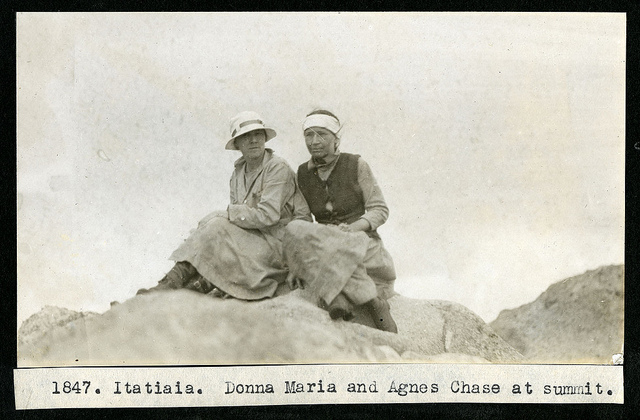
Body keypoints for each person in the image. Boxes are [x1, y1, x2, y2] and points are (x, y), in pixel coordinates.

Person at [137, 111, 310, 299]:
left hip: (281, 244)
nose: (253, 141)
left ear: (264, 138)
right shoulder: (237, 174)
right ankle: (174, 288)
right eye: (246, 136)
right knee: (214, 231)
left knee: (217, 226)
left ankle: (171, 284)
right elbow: (238, 222)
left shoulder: (277, 167)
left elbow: (267, 215)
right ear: (237, 144)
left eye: (258, 134)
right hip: (255, 240)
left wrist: (226, 214)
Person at [283, 109, 398, 333]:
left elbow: (379, 209)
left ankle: (370, 302)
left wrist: (354, 228)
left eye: (322, 134)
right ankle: (363, 299)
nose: (314, 141)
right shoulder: (302, 174)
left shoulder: (356, 164)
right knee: (294, 228)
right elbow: (303, 219)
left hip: (361, 242)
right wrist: (297, 259)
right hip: (326, 245)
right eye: (309, 135)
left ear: (336, 138)